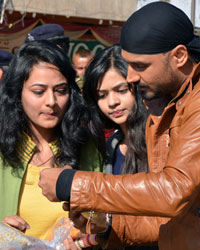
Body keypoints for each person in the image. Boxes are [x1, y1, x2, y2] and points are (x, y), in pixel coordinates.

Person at [39, 2, 200, 249]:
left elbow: (172, 192)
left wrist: (72, 184)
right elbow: (169, 221)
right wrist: (109, 227)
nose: (132, 77)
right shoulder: (169, 105)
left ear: (179, 56)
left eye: (141, 66)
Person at [0, 40, 102, 241]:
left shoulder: (87, 147)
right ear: (17, 92)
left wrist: (86, 239)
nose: (51, 102)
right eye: (39, 91)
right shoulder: (3, 149)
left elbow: (99, 221)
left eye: (61, 90)